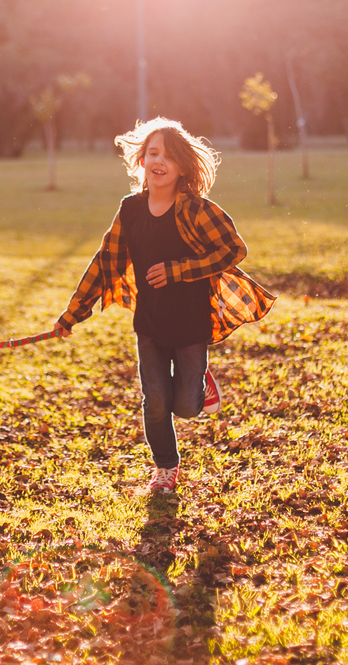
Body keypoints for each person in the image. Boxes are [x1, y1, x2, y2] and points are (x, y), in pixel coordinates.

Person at [52, 117, 275, 494]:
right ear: (141, 159)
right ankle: (165, 470)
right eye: (153, 152)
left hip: (191, 324)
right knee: (155, 401)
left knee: (186, 407)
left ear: (182, 168)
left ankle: (199, 382)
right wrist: (72, 314)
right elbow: (105, 262)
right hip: (150, 324)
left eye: (169, 157)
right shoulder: (131, 210)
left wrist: (181, 270)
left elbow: (235, 249)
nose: (159, 161)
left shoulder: (197, 210)